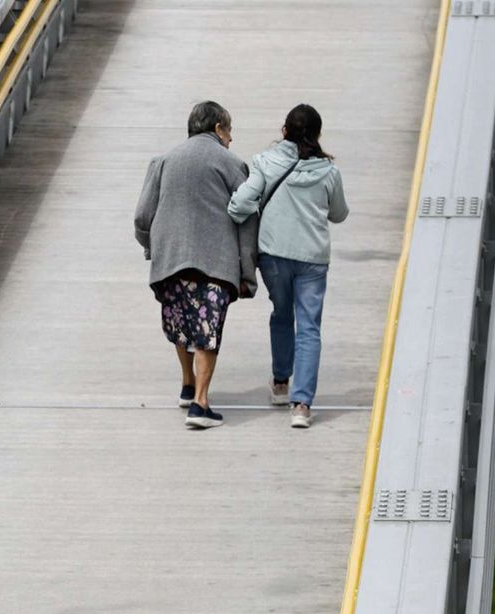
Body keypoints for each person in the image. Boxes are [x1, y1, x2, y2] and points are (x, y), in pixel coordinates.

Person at [134, 101, 259, 429]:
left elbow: (142, 216)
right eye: (229, 131)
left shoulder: (163, 162)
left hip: (171, 261)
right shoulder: (232, 164)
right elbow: (247, 220)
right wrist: (247, 272)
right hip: (214, 262)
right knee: (207, 331)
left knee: (183, 324)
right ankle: (201, 405)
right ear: (218, 129)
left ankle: (188, 385)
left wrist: (153, 250)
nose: (231, 139)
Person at [228, 103, 349, 429]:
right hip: (312, 260)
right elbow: (339, 214)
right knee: (309, 326)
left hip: (274, 256)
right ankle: (302, 404)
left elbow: (240, 204)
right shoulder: (329, 172)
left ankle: (281, 382)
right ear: (318, 134)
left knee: (282, 314)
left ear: (284, 131)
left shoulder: (265, 163)